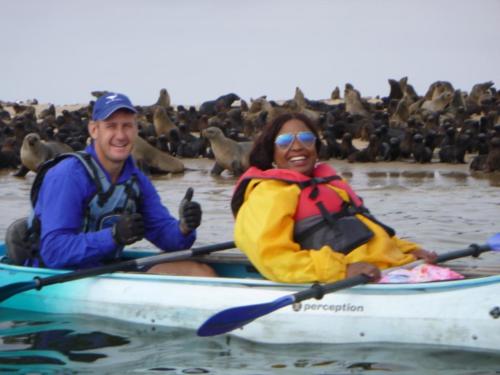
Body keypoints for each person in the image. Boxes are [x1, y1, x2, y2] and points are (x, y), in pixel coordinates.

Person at [6, 92, 215, 276]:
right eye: (111, 126)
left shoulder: (136, 178)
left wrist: (185, 227)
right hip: (56, 276)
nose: (121, 135)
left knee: (201, 271)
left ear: (135, 129)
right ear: (94, 130)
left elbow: (168, 239)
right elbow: (54, 252)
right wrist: (113, 235)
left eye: (127, 126)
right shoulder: (68, 175)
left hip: (105, 270)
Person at [231, 112, 436, 283]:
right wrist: (343, 270)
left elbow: (368, 231)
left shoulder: (330, 184)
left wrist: (409, 250)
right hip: (348, 278)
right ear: (271, 152)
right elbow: (273, 259)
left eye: (306, 138)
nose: (297, 147)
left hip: (388, 268)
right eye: (284, 141)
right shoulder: (269, 194)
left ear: (316, 147)